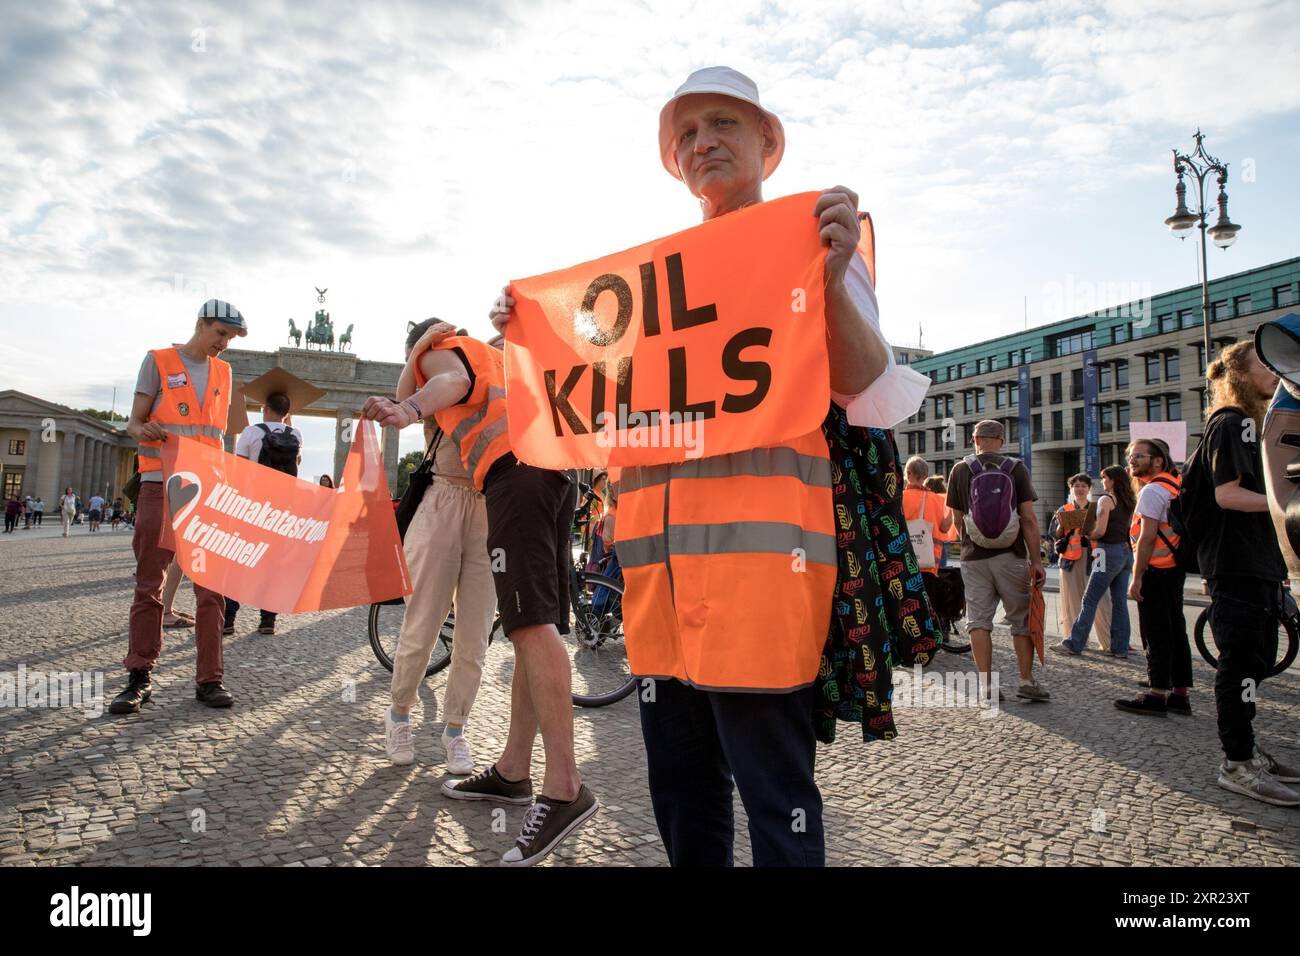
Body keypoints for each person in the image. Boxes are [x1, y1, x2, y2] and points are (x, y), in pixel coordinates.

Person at [490, 66, 929, 866]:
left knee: (776, 802)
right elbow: (593, 397)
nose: (703, 144)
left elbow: (873, 391)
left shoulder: (813, 242)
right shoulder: (653, 282)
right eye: (687, 135)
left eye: (722, 124)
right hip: (659, 596)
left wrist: (829, 280)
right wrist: (531, 334)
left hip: (765, 584)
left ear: (768, 140)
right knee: (683, 801)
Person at [362, 324, 597, 867]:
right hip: (557, 473)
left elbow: (447, 378)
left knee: (528, 627)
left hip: (515, 475)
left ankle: (564, 787)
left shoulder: (442, 353)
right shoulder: (495, 357)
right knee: (531, 628)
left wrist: (409, 407)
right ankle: (514, 771)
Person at [109, 299, 244, 715]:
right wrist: (143, 429)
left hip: (207, 490)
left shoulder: (224, 371)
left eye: (231, 338)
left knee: (212, 589)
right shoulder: (159, 361)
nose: (224, 344)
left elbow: (217, 437)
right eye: (220, 334)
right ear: (201, 324)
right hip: (158, 483)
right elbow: (132, 423)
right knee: (149, 583)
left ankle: (210, 679)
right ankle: (139, 676)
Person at [376, 319, 497, 778]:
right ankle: (400, 714)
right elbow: (401, 396)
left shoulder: (479, 372)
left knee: (475, 633)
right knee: (422, 622)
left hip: (489, 506)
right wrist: (419, 350)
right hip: (442, 500)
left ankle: (455, 729)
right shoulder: (430, 386)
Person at [1195, 342, 1299, 805]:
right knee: (1240, 662)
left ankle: (1248, 747)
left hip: (1256, 562)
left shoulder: (1253, 425)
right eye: (1265, 364)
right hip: (1235, 563)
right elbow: (1227, 495)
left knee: (1256, 660)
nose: (1276, 372)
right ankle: (1237, 762)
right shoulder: (1233, 421)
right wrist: (1285, 508)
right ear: (1239, 373)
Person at [947, 420, 1048, 702]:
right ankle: (1026, 681)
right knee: (1021, 620)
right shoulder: (1015, 469)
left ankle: (987, 687)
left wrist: (973, 539)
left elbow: (957, 520)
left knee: (978, 622)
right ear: (1001, 441)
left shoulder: (960, 469)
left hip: (973, 558)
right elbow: (1028, 518)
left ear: (974, 439)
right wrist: (1036, 561)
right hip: (1011, 556)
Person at [224, 385, 306, 637]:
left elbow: (237, 468)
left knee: (238, 561)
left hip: (252, 505)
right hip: (281, 508)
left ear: (265, 409)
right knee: (273, 564)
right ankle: (268, 619)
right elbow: (297, 464)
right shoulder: (296, 434)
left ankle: (228, 618)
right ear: (286, 412)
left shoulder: (251, 432)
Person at [1117, 439, 1190, 716]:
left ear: (1158, 460)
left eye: (1139, 456)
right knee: (1176, 630)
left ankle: (1156, 695)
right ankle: (1180, 694)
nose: (1132, 460)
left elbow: (1147, 538)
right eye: (1130, 456)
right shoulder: (1175, 484)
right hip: (1174, 567)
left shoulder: (1151, 491)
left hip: (1155, 568)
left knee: (1156, 632)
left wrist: (1136, 577)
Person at [1053, 465, 1134, 658]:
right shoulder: (1129, 500)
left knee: (1089, 599)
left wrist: (1088, 534)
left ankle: (1074, 643)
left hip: (1106, 552)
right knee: (1119, 602)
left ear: (1113, 480)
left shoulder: (1106, 500)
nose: (1103, 481)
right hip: (1125, 552)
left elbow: (1101, 531)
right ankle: (1120, 648)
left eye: (1105, 478)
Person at [1049, 474, 1112, 650]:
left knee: (1102, 599)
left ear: (1089, 488)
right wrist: (1063, 524)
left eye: (1083, 485)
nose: (1080, 488)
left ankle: (1107, 642)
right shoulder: (1064, 508)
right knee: (1071, 601)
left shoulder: (1097, 507)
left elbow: (1105, 531)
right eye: (1076, 485)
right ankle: (1072, 639)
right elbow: (1054, 534)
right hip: (1070, 558)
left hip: (1095, 555)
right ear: (1071, 489)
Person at [903, 456, 952, 574]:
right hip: (930, 564)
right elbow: (944, 528)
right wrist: (951, 510)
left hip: (905, 561)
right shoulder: (936, 500)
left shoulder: (899, 498)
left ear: (908, 474)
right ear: (925, 476)